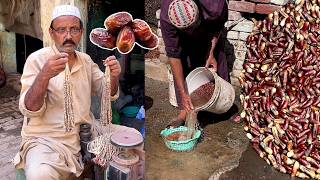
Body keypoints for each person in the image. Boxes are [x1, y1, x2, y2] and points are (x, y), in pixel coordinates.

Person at [13, 5, 121, 179]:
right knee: (40, 174)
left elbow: (106, 92)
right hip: (46, 141)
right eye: (62, 30)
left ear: (81, 32)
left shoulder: (85, 60)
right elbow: (28, 108)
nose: (68, 36)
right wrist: (44, 75)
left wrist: (114, 76)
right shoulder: (37, 60)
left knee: (132, 140)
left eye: (74, 30)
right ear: (51, 32)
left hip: (86, 133)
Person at [160, 0, 229, 127]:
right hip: (183, 37)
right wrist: (183, 93)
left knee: (217, 59)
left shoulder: (214, 5)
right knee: (183, 63)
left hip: (208, 28)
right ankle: (184, 110)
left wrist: (211, 51)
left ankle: (224, 105)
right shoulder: (167, 18)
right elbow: (173, 55)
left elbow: (218, 25)